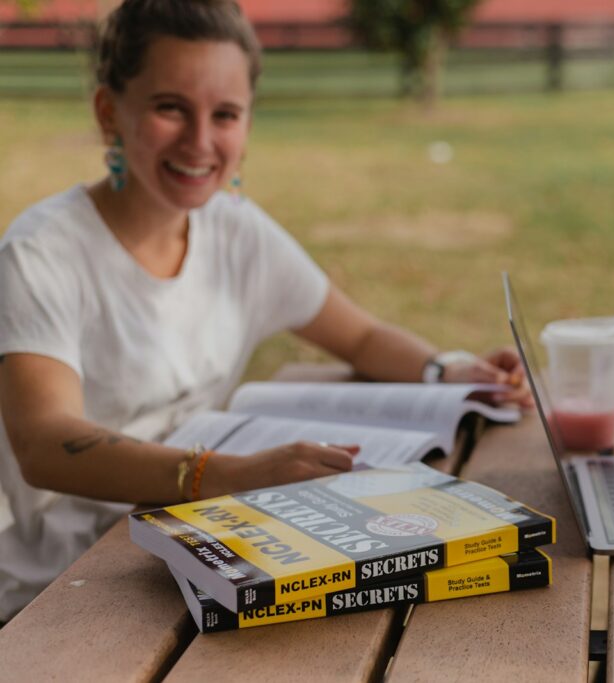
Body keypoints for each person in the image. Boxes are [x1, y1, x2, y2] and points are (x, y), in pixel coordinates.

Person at [0, 0, 526, 622]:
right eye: (171, 108)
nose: (201, 141)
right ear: (109, 111)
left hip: (203, 547)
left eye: (225, 114)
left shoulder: (235, 232)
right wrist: (223, 475)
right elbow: (45, 444)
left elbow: (358, 335)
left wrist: (448, 371)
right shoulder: (41, 253)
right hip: (68, 589)